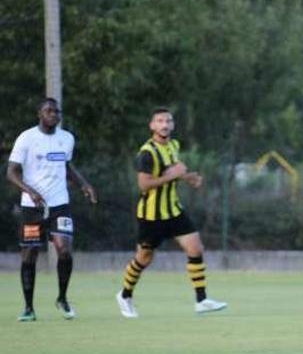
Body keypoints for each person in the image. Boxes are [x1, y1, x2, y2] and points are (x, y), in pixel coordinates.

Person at [114, 107, 227, 318]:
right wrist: (173, 175)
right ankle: (125, 295)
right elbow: (144, 185)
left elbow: (173, 170)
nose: (164, 125)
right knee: (144, 258)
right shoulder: (147, 153)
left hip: (173, 210)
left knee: (195, 248)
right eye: (159, 121)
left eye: (168, 121)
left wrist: (189, 177)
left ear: (172, 125)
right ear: (152, 125)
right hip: (151, 216)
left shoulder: (173, 145)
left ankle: (201, 300)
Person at [6, 98, 97, 321]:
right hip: (32, 208)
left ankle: (63, 299)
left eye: (56, 111)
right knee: (30, 256)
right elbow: (11, 172)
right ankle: (28, 308)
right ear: (40, 113)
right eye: (48, 111)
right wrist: (29, 191)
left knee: (64, 250)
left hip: (59, 204)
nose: (53, 115)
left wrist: (84, 185)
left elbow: (66, 166)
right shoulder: (27, 138)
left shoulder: (66, 139)